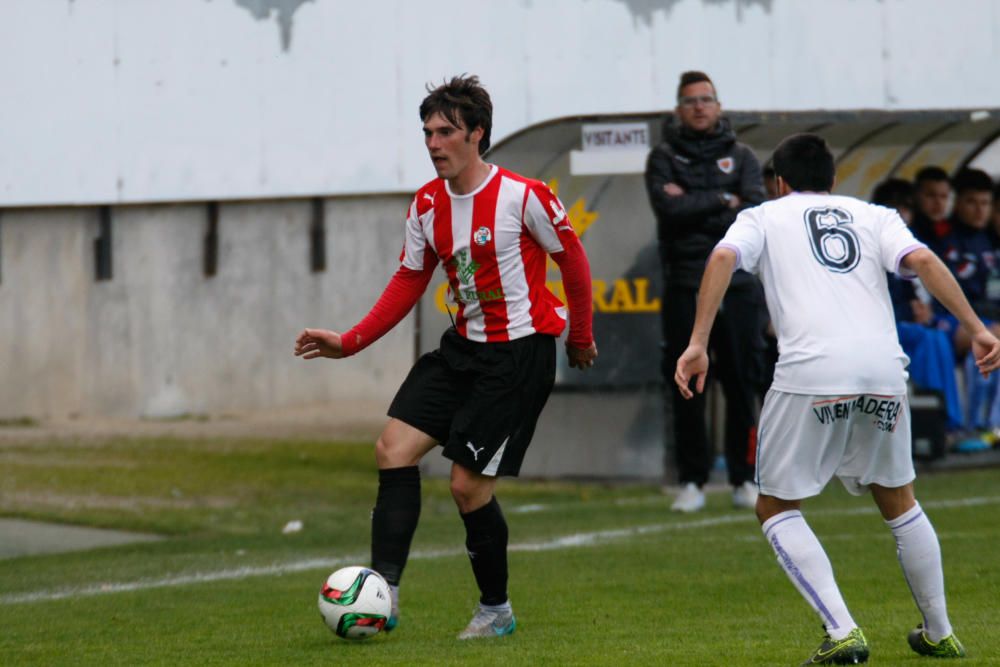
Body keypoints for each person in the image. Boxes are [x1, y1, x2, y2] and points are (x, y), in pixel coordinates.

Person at [675, 133, 999, 663]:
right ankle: (939, 631)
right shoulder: (875, 215)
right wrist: (977, 327)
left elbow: (721, 259)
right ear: (833, 180)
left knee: (775, 505)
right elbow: (925, 262)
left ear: (779, 182)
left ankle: (843, 630)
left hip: (812, 370)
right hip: (883, 370)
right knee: (899, 500)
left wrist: (697, 342)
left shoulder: (763, 217)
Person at [294, 75, 597, 639]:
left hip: (518, 356)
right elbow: (409, 279)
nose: (434, 143)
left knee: (466, 485)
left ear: (477, 134)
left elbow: (572, 263)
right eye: (427, 132)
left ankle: (496, 611)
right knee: (392, 450)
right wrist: (350, 340)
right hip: (463, 350)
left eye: (446, 132)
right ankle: (384, 593)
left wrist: (579, 335)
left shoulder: (524, 196)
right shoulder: (427, 204)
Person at [644, 70, 767, 512]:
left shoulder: (742, 155)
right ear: (679, 108)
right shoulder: (663, 157)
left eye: (707, 99)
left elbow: (752, 212)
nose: (700, 106)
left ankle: (743, 478)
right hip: (685, 284)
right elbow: (669, 211)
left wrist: (700, 202)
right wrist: (722, 200)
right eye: (691, 100)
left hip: (737, 284)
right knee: (687, 384)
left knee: (741, 382)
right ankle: (692, 480)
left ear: (719, 106)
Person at [911, 166, 953, 245]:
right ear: (915, 195)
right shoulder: (906, 233)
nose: (938, 202)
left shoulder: (951, 232)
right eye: (930, 195)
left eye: (943, 196)